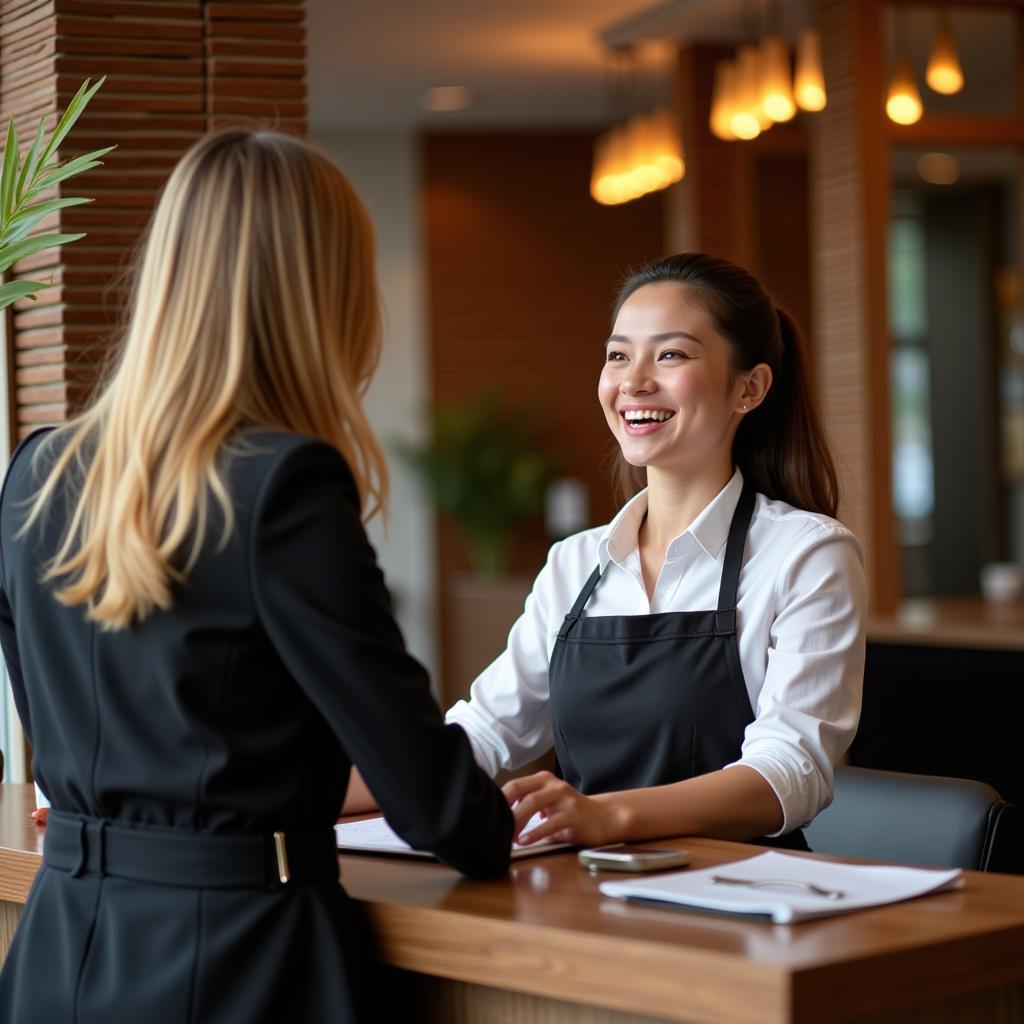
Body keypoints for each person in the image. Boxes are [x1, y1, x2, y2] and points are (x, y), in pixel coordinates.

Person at [0, 129, 512, 1024]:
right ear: (324, 296)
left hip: (59, 952)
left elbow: (51, 728)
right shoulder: (285, 485)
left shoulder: (35, 468)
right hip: (240, 962)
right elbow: (430, 799)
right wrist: (505, 825)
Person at [439, 252, 866, 850]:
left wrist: (604, 817)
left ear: (750, 387)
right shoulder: (575, 563)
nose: (633, 381)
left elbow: (786, 776)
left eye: (671, 354)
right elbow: (481, 734)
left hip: (743, 904)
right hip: (587, 890)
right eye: (618, 355)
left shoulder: (807, 555)